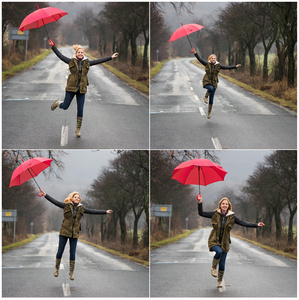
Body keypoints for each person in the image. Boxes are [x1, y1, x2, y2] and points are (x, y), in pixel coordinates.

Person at [48, 39, 119, 137]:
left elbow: (98, 61)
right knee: (65, 106)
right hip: (71, 88)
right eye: (79, 52)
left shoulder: (87, 63)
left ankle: (78, 130)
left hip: (82, 89)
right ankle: (58, 103)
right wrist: (53, 47)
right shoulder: (71, 61)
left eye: (82, 52)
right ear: (76, 53)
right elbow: (60, 56)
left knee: (80, 109)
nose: (80, 54)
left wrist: (111, 57)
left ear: (83, 53)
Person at [40, 190, 113, 280]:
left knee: (73, 253)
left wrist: (105, 212)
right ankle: (56, 268)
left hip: (74, 233)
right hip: (64, 232)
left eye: (78, 198)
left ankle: (71, 273)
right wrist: (45, 195)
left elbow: (93, 211)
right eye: (75, 197)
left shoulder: (81, 208)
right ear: (72, 198)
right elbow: (55, 202)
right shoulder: (66, 205)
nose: (77, 198)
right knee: (60, 251)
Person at [197, 194, 264, 288]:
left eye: (226, 204)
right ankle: (213, 267)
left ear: (228, 206)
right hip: (214, 240)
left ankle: (219, 281)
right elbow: (201, 213)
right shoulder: (214, 214)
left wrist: (256, 225)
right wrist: (200, 202)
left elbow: (244, 223)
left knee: (223, 263)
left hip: (225, 242)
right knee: (219, 251)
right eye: (223, 204)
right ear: (220, 205)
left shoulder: (232, 217)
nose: (224, 205)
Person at [190, 47, 241, 119]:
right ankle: (205, 96)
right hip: (207, 81)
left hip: (214, 82)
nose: (213, 59)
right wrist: (195, 53)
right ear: (209, 59)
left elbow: (226, 67)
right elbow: (200, 60)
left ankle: (209, 113)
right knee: (210, 89)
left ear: (216, 59)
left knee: (211, 99)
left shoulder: (218, 66)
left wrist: (235, 66)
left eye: (214, 58)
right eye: (212, 58)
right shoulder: (207, 64)